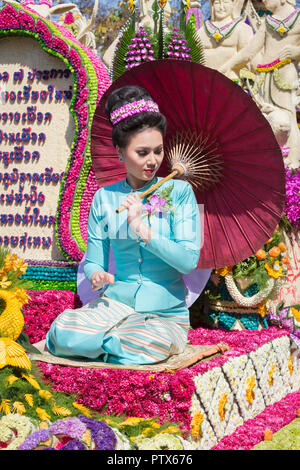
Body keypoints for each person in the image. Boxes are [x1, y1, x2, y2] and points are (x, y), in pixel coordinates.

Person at [46, 85, 202, 365]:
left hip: (164, 317)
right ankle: (109, 341)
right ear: (119, 151)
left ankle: (102, 342)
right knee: (61, 331)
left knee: (142, 340)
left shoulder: (180, 192)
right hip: (114, 305)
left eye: (158, 150)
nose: (153, 161)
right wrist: (96, 275)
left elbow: (189, 261)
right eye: (142, 152)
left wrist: (144, 231)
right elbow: (93, 261)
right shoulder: (104, 199)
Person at [219, 0, 300, 168]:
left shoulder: (298, 18)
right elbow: (249, 52)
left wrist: (297, 51)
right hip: (263, 78)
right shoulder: (268, 22)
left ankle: (293, 162)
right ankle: (270, 160)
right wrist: (229, 64)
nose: (263, 0)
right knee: (265, 119)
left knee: (288, 117)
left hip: (284, 73)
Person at [195, 0, 254, 80]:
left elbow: (248, 59)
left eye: (225, 2)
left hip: (231, 81)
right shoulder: (201, 32)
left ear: (233, 4)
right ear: (212, 5)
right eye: (217, 3)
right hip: (205, 81)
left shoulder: (243, 30)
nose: (221, 7)